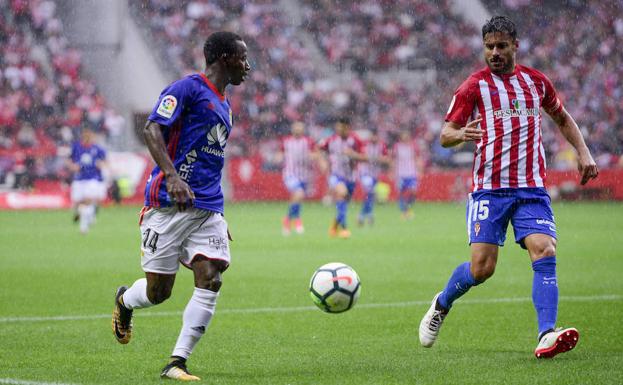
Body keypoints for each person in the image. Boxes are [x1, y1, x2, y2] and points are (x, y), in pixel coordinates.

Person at [418, 16, 599, 359]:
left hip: (531, 188)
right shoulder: (474, 86)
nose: (495, 53)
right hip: (490, 189)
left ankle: (547, 334)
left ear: (515, 45)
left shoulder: (536, 82)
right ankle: (441, 304)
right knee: (482, 269)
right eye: (489, 47)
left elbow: (561, 117)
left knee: (545, 250)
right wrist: (462, 134)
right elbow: (445, 135)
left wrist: (583, 151)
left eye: (501, 46)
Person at [111, 31, 250, 381]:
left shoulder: (224, 105)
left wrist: (218, 213)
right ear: (224, 59)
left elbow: (210, 160)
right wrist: (172, 177)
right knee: (159, 292)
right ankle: (126, 301)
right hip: (167, 204)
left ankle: (177, 362)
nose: (248, 66)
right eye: (243, 58)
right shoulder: (187, 89)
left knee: (211, 278)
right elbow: (152, 129)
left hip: (206, 208)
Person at [317, 116, 365, 238]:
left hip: (351, 177)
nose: (339, 129)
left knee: (343, 203)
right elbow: (319, 149)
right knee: (341, 193)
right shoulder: (331, 140)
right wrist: (322, 161)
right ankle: (344, 228)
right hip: (336, 175)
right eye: (337, 126)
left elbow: (365, 157)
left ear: (347, 128)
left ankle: (334, 225)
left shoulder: (355, 140)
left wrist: (353, 155)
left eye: (341, 127)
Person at [277, 121, 315, 235]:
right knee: (299, 194)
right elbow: (280, 153)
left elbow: (315, 153)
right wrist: (278, 158)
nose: (298, 130)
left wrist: (313, 157)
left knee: (297, 198)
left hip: (304, 175)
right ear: (292, 129)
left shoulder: (308, 142)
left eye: (300, 128)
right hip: (290, 174)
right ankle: (296, 220)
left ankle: (288, 219)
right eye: (296, 127)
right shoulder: (286, 141)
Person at [67, 127, 107, 234]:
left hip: (92, 179)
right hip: (79, 179)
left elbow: (105, 162)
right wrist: (73, 166)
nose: (88, 137)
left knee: (87, 201)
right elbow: (69, 160)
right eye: (86, 135)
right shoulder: (76, 147)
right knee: (78, 203)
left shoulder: (97, 149)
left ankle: (83, 227)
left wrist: (101, 165)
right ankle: (89, 214)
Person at [357, 129, 390, 226]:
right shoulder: (364, 145)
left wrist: (379, 159)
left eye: (376, 136)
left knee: (370, 196)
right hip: (364, 173)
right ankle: (369, 215)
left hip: (375, 174)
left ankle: (362, 214)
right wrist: (372, 158)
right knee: (370, 192)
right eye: (373, 136)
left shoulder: (382, 146)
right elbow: (360, 157)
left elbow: (386, 159)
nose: (374, 138)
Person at [393, 130, 422, 220]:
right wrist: (393, 172)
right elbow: (393, 160)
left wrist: (420, 170)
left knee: (413, 192)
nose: (405, 137)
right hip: (400, 174)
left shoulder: (413, 146)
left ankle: (407, 209)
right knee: (401, 193)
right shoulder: (397, 147)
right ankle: (404, 212)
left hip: (411, 173)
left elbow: (417, 158)